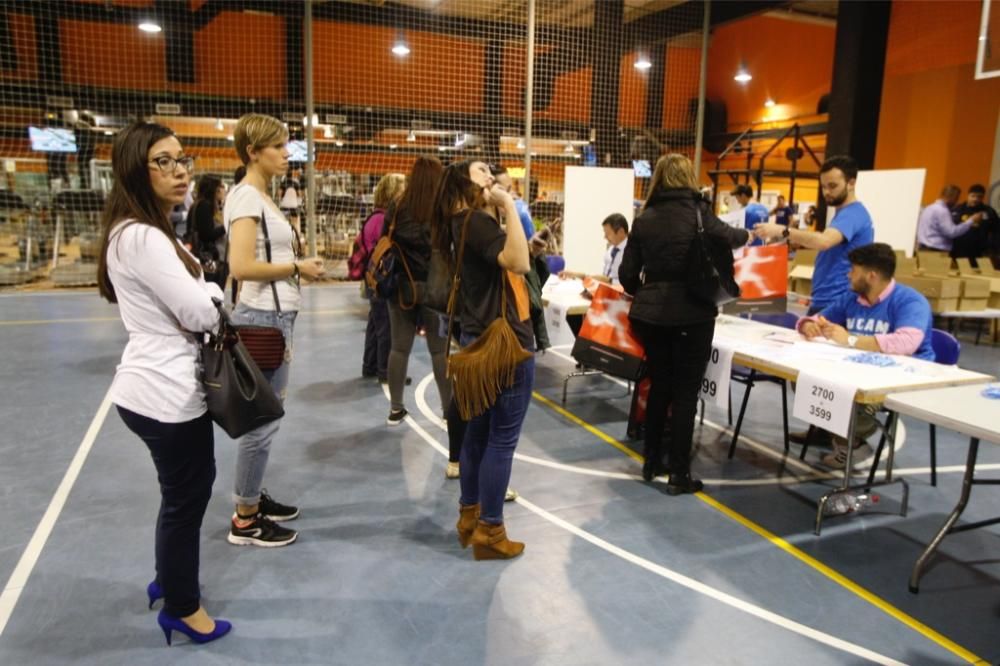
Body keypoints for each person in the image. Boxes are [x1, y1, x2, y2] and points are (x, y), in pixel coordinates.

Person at [97, 121, 231, 645]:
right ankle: (182, 606)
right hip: (167, 396)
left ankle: (167, 580)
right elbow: (200, 310)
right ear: (137, 168)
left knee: (177, 497)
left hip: (151, 388)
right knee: (186, 501)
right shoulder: (143, 236)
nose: (179, 171)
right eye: (163, 162)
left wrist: (208, 291)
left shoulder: (139, 230)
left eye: (182, 160)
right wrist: (217, 295)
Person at [619, 153, 750, 494]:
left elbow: (627, 275)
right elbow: (731, 238)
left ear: (658, 178)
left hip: (651, 316)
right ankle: (679, 472)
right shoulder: (700, 213)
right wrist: (750, 232)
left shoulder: (644, 218)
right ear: (688, 178)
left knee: (659, 385)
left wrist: (646, 292)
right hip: (694, 312)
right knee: (686, 392)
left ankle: (651, 461)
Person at [225, 113, 326, 547]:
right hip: (262, 321)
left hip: (276, 320)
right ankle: (245, 519)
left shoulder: (262, 198)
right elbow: (241, 266)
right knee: (262, 423)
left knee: (267, 419)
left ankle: (250, 498)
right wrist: (296, 267)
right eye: (278, 147)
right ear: (253, 151)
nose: (287, 154)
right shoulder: (247, 199)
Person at [432, 160, 533, 559]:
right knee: (501, 439)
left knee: (477, 433)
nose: (490, 177)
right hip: (504, 341)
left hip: (477, 336)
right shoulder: (477, 221)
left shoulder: (455, 224)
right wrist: (508, 204)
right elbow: (519, 263)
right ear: (462, 184)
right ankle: (491, 531)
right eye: (481, 173)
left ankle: (470, 517)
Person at [797, 243, 934, 468]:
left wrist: (851, 340)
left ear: (871, 276)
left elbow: (908, 342)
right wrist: (807, 325)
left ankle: (854, 443)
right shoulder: (852, 298)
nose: (848, 274)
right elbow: (817, 318)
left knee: (849, 397)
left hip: (905, 375)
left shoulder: (910, 301)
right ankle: (831, 433)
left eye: (853, 270)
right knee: (805, 379)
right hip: (859, 370)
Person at [755, 155, 874, 316]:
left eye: (832, 186)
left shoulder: (853, 214)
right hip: (826, 299)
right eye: (823, 186)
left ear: (851, 183)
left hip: (837, 302)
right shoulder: (843, 214)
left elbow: (824, 241)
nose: (826, 192)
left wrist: (782, 231)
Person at [382, 158, 448, 424]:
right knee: (440, 352)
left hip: (401, 287)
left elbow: (385, 239)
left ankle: (395, 409)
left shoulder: (397, 206)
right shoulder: (444, 209)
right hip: (437, 290)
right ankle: (448, 411)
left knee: (399, 349)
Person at [361, 172, 406, 383]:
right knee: (386, 327)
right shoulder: (382, 219)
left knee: (375, 324)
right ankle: (386, 372)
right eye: (402, 188)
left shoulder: (374, 217)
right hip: (381, 279)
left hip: (373, 278)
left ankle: (370, 366)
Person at [561, 213, 629, 337]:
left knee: (576, 318)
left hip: (620, 300)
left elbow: (612, 280)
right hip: (606, 293)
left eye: (607, 234)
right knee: (573, 315)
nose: (605, 237)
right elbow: (606, 278)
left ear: (620, 231)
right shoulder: (611, 250)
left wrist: (585, 277)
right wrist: (578, 275)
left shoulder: (631, 251)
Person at [185, 176, 228, 289]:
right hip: (206, 258)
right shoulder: (204, 206)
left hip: (198, 256)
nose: (222, 190)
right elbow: (207, 235)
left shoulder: (197, 204)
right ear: (214, 190)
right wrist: (226, 227)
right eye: (220, 187)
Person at [950, 184, 999, 267]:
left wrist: (993, 251)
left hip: (979, 253)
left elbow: (997, 232)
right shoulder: (957, 210)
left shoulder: (989, 212)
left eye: (979, 197)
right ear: (968, 195)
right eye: (973, 196)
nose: (975, 199)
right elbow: (950, 230)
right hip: (958, 251)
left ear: (983, 198)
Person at [916, 184, 968, 253]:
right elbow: (952, 232)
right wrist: (970, 222)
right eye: (956, 198)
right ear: (952, 197)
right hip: (935, 251)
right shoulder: (943, 211)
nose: (957, 202)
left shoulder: (928, 208)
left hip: (923, 247)